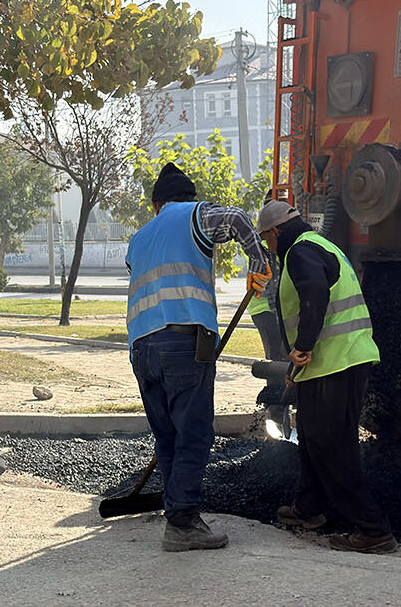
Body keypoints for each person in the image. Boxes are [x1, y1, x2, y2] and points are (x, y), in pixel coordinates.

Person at [127, 163, 270, 552]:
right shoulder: (195, 214)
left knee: (168, 437)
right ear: (187, 197)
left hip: (141, 348)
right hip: (184, 341)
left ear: (156, 203)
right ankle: (184, 522)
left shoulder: (138, 239)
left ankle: (176, 511)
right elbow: (238, 219)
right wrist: (260, 267)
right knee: (194, 434)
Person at [256, 200, 395, 554]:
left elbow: (314, 295)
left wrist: (301, 347)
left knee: (332, 443)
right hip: (333, 362)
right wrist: (298, 367)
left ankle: (373, 529)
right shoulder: (321, 246)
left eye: (266, 240)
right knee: (314, 438)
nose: (268, 247)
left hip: (339, 361)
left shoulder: (301, 252)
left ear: (274, 232)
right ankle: (309, 507)